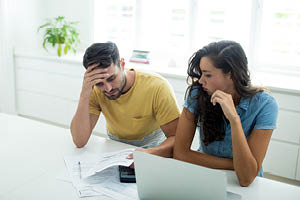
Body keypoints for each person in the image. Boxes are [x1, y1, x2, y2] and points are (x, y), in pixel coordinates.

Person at [173, 40, 278, 186]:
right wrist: (235, 164)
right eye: (201, 74)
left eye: (208, 75)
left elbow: (246, 178)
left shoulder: (265, 105)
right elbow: (180, 154)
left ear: (231, 74)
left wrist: (234, 119)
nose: (201, 81)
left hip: (242, 185)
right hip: (204, 175)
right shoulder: (197, 93)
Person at [70, 42, 180, 157]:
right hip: (115, 150)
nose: (108, 89)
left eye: (112, 78)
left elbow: (177, 138)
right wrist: (84, 93)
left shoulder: (157, 86)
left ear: (122, 64)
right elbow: (79, 141)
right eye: (99, 83)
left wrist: (148, 154)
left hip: (154, 151)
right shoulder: (94, 90)